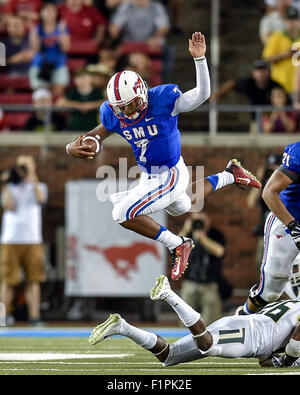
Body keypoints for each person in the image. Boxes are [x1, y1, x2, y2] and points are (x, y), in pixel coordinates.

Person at [66, 32, 261, 281]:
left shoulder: (163, 100)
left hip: (170, 172)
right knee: (184, 205)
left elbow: (201, 95)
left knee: (122, 213)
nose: (127, 111)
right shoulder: (115, 113)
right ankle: (230, 174)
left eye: (130, 105)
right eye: (121, 108)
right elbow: (97, 135)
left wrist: (200, 61)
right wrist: (72, 147)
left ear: (142, 94)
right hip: (150, 174)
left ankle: (177, 244)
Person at [89, 275, 300, 369]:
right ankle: (169, 294)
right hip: (252, 335)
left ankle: (122, 327)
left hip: (248, 330)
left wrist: (281, 359)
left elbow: (266, 359)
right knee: (207, 345)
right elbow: (295, 339)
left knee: (169, 357)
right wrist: (289, 361)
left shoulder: (293, 304)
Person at [239, 140, 300, 315]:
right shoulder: (298, 153)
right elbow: (269, 192)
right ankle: (243, 317)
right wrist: (293, 227)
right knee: (270, 291)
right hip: (287, 221)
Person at [0, 155, 48, 326]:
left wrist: (32, 176)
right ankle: (3, 316)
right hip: (10, 239)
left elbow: (41, 199)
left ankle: (34, 317)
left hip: (32, 239)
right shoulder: (10, 187)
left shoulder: (39, 186)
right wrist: (6, 183)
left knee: (33, 279)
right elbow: (8, 206)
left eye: (26, 165)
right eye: (21, 165)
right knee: (8, 280)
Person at [211, 59, 285, 133]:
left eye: (263, 70)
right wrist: (218, 94)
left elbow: (283, 100)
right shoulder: (248, 83)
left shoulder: (276, 86)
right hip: (256, 121)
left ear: (268, 72)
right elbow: (232, 83)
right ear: (253, 73)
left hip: (273, 120)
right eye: (258, 71)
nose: (261, 73)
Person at [178, 213, 226, 324]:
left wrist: (202, 237)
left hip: (210, 283)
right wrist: (185, 230)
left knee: (211, 320)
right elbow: (176, 248)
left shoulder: (215, 234)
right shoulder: (187, 235)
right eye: (196, 220)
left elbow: (219, 251)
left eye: (201, 220)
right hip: (189, 282)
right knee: (185, 318)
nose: (198, 223)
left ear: (208, 221)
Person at [247, 154, 282, 272]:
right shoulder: (265, 186)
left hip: (283, 233)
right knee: (261, 267)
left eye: (275, 168)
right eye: (270, 169)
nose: (272, 172)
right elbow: (250, 202)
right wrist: (259, 179)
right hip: (265, 234)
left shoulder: (286, 182)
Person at [28, 3, 70, 97]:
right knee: (42, 95)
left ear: (57, 13)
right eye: (46, 10)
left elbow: (65, 48)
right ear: (41, 14)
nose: (49, 13)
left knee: (57, 95)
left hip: (58, 64)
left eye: (52, 10)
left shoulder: (62, 28)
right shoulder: (36, 29)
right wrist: (34, 34)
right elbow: (35, 49)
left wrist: (62, 32)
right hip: (40, 65)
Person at [262, 6, 300, 94]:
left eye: (294, 20)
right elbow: (267, 58)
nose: (292, 23)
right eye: (289, 20)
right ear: (285, 21)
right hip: (280, 83)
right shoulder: (276, 37)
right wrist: (285, 54)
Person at [56, 67, 104, 131]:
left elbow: (105, 102)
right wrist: (79, 106)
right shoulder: (73, 92)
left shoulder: (97, 92)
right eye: (79, 77)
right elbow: (60, 103)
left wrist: (90, 105)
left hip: (93, 128)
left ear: (91, 78)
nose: (82, 80)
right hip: (74, 129)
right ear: (75, 80)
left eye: (84, 77)